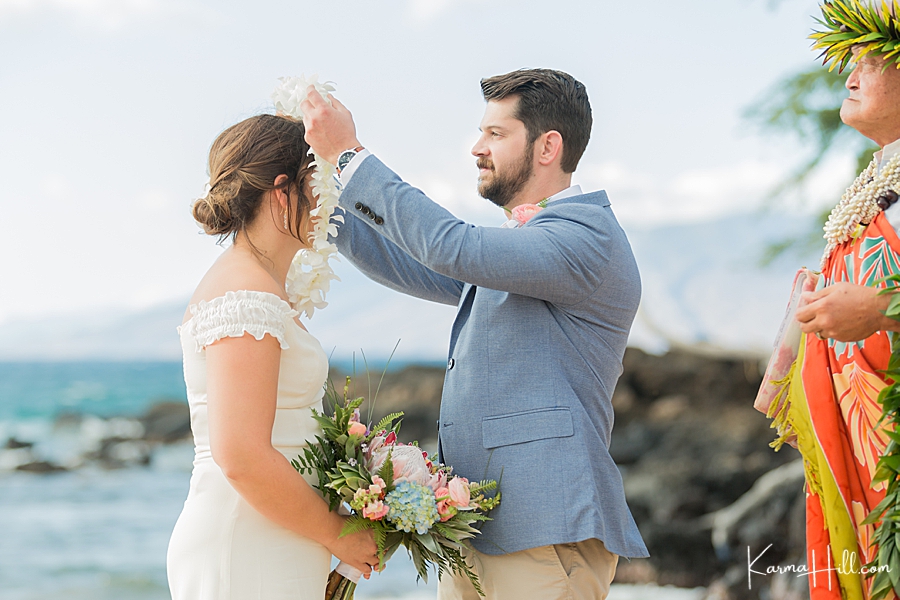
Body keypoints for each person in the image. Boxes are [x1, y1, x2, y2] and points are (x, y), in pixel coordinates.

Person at [302, 69, 649, 600]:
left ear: (547, 146)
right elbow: (411, 262)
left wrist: (350, 157)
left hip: (543, 530)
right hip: (476, 530)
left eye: (495, 133)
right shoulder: (525, 246)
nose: (476, 148)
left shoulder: (586, 236)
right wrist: (317, 189)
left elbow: (450, 246)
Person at [166, 114, 378, 599]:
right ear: (282, 192)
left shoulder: (257, 286)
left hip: (273, 532)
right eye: (319, 183)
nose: (330, 201)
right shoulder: (245, 292)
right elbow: (239, 454)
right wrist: (337, 532)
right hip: (246, 539)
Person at [767, 1, 900, 597]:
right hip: (857, 438)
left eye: (870, 59)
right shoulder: (877, 180)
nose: (850, 74)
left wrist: (881, 309)